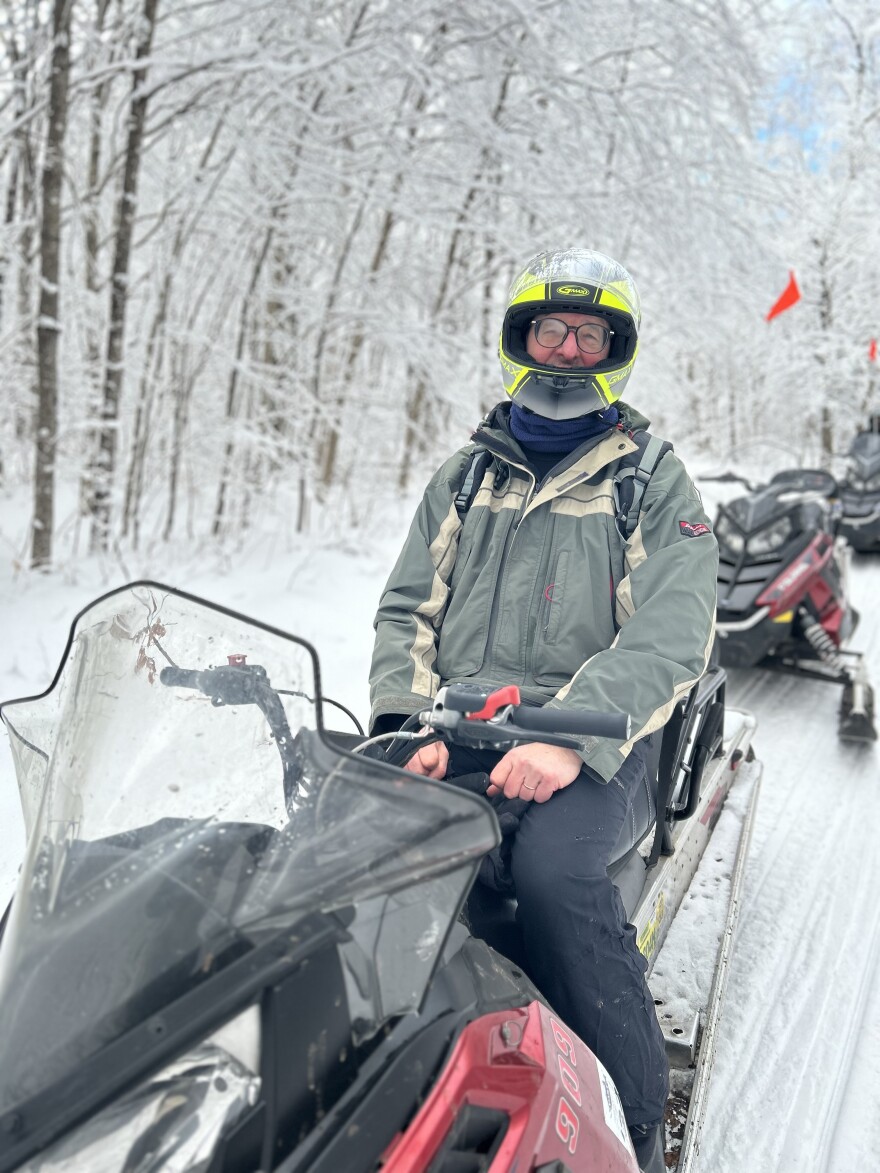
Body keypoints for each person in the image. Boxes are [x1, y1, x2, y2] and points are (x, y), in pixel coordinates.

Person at [368, 248, 718, 1173]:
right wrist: (406, 727)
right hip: (460, 729)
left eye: (588, 334)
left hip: (606, 744)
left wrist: (568, 737)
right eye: (550, 331)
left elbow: (675, 633)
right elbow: (409, 608)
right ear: (521, 340)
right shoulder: (467, 475)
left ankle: (636, 1117)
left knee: (555, 872)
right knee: (363, 846)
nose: (567, 350)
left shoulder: (649, 477)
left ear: (614, 350)